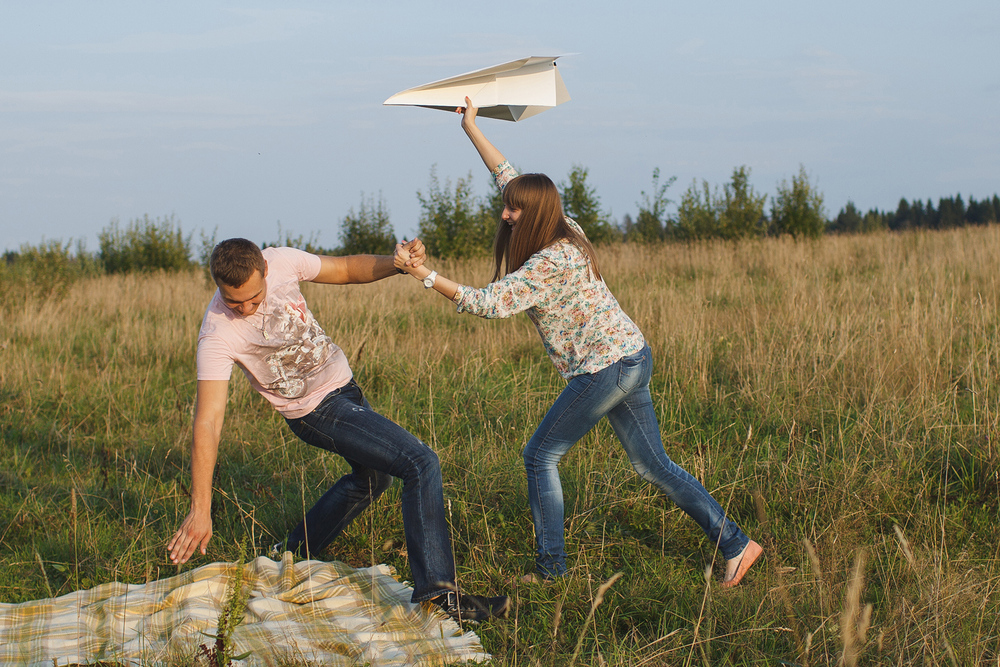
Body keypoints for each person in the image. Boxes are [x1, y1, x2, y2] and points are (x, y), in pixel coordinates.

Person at [393, 98, 763, 586]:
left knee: (539, 456)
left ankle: (551, 572)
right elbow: (508, 176)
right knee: (653, 464)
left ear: (533, 213)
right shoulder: (568, 230)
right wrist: (470, 126)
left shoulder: (549, 261)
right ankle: (736, 544)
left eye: (513, 210)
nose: (505, 214)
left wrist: (424, 275)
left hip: (605, 368)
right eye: (507, 205)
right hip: (630, 356)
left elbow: (488, 303)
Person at [167, 238, 509, 621]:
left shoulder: (282, 261)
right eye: (235, 302)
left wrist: (396, 265)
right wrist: (201, 508)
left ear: (264, 269)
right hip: (315, 412)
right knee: (419, 461)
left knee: (372, 478)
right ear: (218, 286)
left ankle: (293, 551)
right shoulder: (217, 333)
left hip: (345, 388)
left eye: (254, 297)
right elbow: (208, 420)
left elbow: (346, 269)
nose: (246, 308)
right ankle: (441, 597)